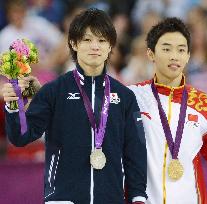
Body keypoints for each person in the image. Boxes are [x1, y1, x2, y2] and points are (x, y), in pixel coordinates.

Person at [1, 8, 147, 204]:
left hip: (111, 198)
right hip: (63, 199)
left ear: (111, 46)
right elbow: (21, 137)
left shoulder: (125, 96)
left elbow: (135, 152)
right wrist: (14, 106)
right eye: (87, 40)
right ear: (73, 43)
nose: (95, 46)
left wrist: (138, 196)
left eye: (102, 40)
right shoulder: (54, 91)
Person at [128, 17, 207, 204]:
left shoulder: (203, 104)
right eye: (166, 49)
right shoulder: (133, 97)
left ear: (188, 56)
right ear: (150, 54)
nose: (174, 56)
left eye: (181, 50)